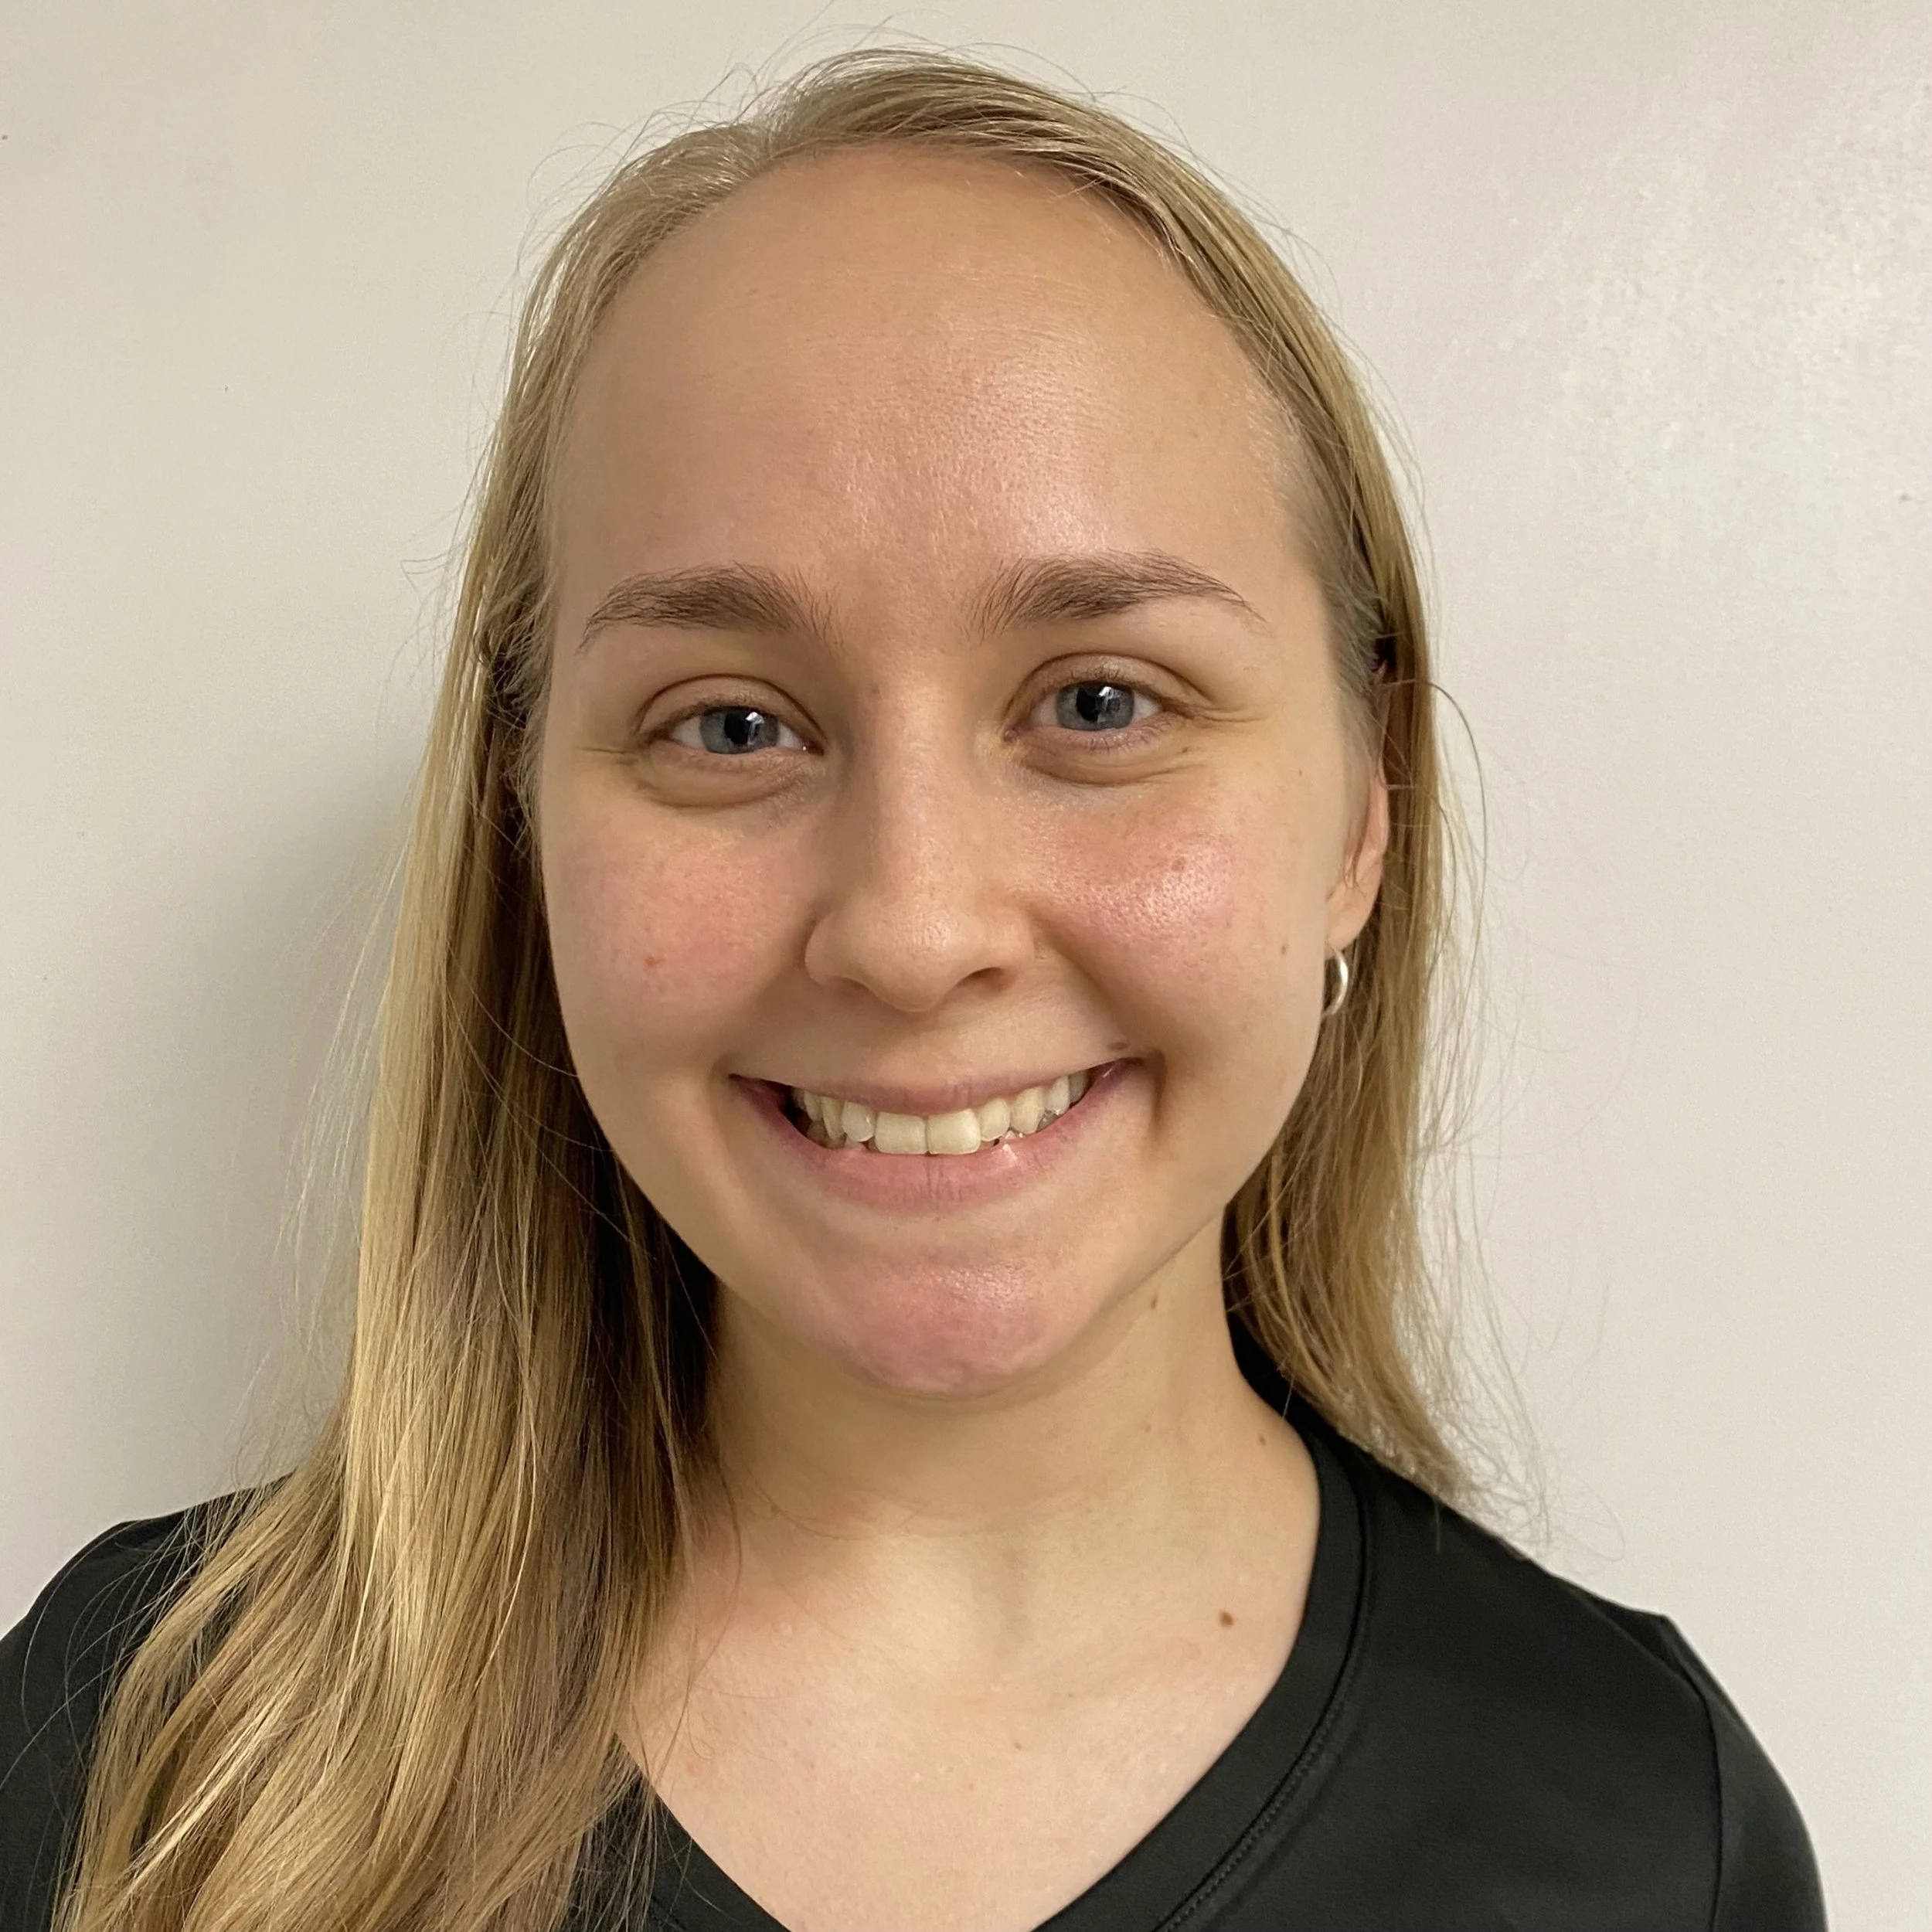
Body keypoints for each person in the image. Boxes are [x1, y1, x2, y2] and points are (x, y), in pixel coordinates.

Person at [0, 48, 1825, 1932]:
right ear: (523, 826)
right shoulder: (140, 1752)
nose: (910, 923)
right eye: (729, 724)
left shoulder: (1645, 1836)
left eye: (1099, 701)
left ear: (1361, 811)